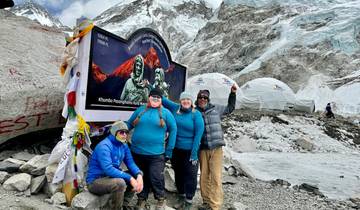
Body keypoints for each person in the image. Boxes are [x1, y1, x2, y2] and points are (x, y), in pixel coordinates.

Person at [126, 88, 177, 210]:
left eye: (158, 97)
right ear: (148, 97)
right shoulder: (140, 110)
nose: (155, 98)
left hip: (156, 154)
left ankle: (161, 199)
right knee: (141, 177)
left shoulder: (166, 113)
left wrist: (169, 150)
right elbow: (129, 124)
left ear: (161, 99)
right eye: (153, 96)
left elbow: (173, 129)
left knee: (156, 177)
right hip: (137, 152)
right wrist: (117, 129)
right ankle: (141, 200)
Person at [196, 85, 237, 210]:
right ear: (197, 99)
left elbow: (230, 108)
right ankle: (206, 202)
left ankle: (215, 205)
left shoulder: (216, 109)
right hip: (202, 148)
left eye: (205, 97)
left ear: (208, 99)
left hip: (216, 148)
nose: (202, 99)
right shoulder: (195, 112)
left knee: (216, 176)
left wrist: (232, 94)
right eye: (200, 97)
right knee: (204, 176)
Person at [86, 121, 144, 210]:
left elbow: (130, 163)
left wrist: (139, 175)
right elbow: (108, 169)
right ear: (114, 133)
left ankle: (124, 203)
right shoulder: (104, 146)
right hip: (95, 181)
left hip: (110, 177)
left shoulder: (123, 145)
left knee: (136, 174)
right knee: (119, 183)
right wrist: (130, 178)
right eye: (121, 132)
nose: (124, 135)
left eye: (126, 132)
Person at [162, 92, 204, 210]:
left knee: (190, 175)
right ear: (180, 101)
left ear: (191, 102)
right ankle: (181, 196)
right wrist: (149, 86)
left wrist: (194, 154)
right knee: (178, 174)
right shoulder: (175, 108)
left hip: (190, 151)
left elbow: (198, 135)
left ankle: (189, 201)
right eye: (183, 99)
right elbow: (162, 99)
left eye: (188, 100)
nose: (186, 101)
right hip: (176, 149)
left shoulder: (196, 115)